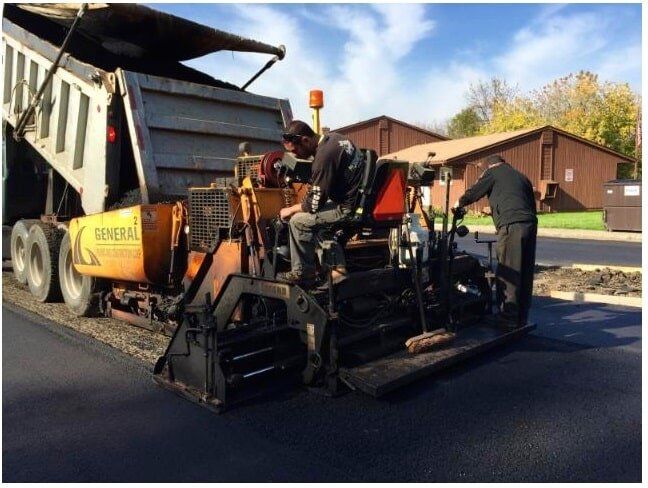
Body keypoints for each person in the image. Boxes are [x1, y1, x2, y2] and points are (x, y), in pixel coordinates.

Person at [277, 120, 365, 287]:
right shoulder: (335, 138)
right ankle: (335, 268)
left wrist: (290, 210)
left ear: (305, 140)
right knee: (315, 217)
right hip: (356, 200)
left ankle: (303, 274)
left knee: (298, 221)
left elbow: (314, 205)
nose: (295, 155)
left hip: (347, 207)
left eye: (295, 150)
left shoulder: (323, 157)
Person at [454, 154, 537, 327]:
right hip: (530, 224)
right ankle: (522, 317)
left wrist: (458, 203)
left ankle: (507, 318)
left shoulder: (492, 173)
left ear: (489, 166)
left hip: (511, 226)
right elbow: (526, 202)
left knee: (509, 272)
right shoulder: (521, 177)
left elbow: (475, 191)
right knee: (525, 271)